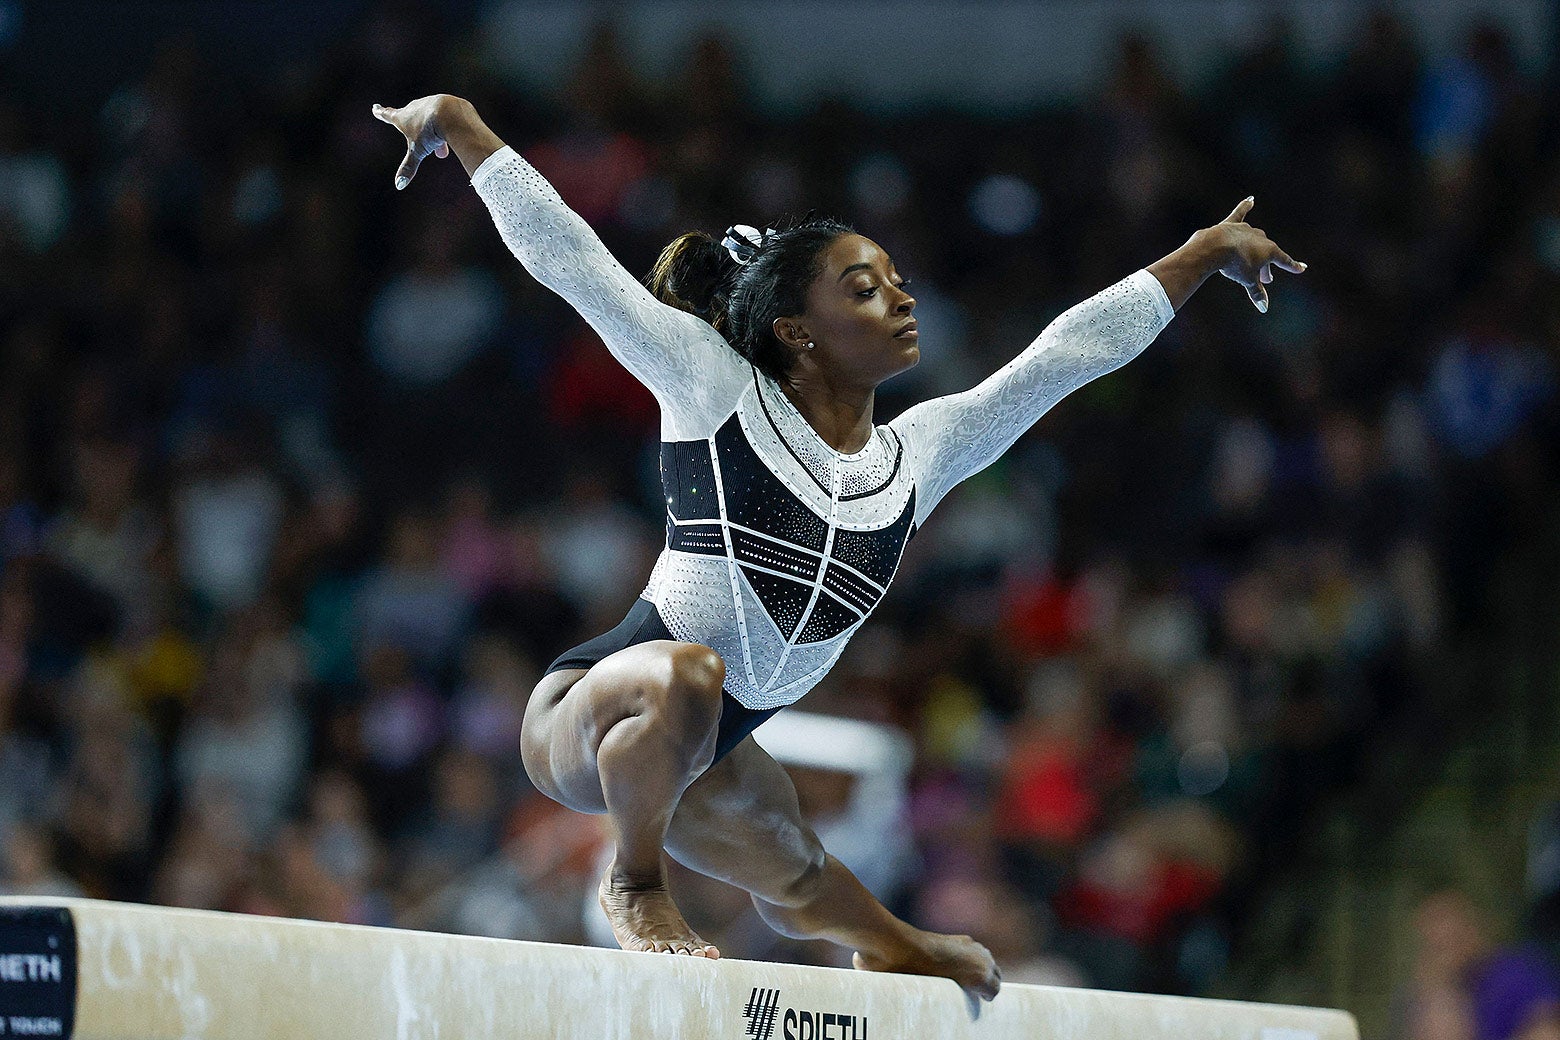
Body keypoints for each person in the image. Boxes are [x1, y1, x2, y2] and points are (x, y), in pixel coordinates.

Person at [372, 93, 1303, 1000]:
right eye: (863, 287)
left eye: (896, 280)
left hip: (705, 748)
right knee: (690, 676)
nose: (900, 298)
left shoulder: (917, 456)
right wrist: (460, 124)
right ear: (796, 331)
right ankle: (635, 884)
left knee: (801, 873)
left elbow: (1064, 356)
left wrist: (1201, 253)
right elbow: (573, 259)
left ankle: (894, 947)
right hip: (591, 711)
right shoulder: (714, 388)